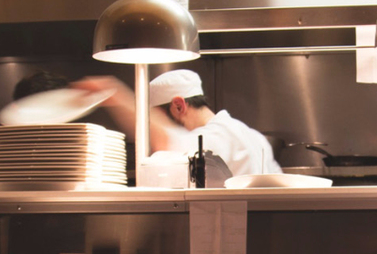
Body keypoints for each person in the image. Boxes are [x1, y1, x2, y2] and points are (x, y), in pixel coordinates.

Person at [73, 70, 282, 177]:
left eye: (156, 118)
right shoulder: (253, 136)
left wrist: (112, 93)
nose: (154, 126)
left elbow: (166, 140)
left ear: (179, 106)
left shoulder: (216, 137)